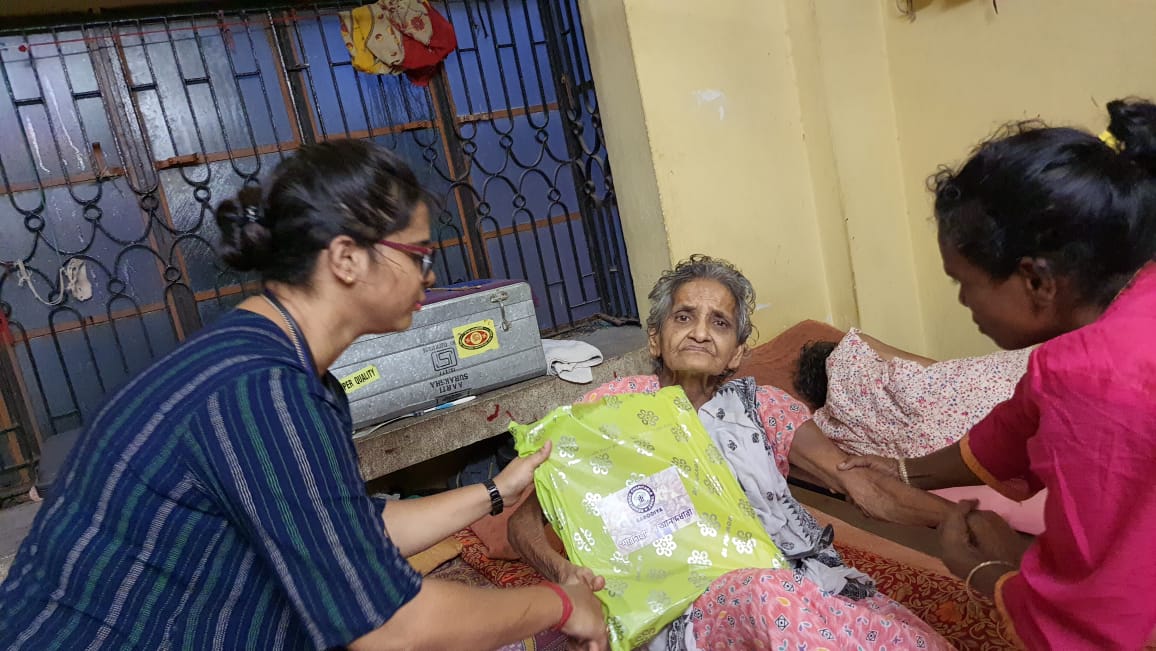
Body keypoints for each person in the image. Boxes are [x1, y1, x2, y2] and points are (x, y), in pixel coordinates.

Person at [0, 140, 608, 651]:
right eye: (419, 255)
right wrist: (560, 603)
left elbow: (345, 530)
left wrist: (496, 492)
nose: (429, 276)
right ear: (346, 258)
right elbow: (391, 626)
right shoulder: (263, 392)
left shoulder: (281, 366)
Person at [508, 255, 952, 650]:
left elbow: (860, 481)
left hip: (800, 583)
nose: (701, 333)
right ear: (655, 340)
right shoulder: (613, 411)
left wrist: (955, 518)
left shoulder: (763, 408)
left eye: (719, 323)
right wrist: (565, 574)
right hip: (691, 606)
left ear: (737, 354)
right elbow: (522, 524)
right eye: (684, 317)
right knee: (766, 596)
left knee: (918, 641)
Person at [840, 98, 1156, 649]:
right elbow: (1015, 428)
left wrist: (991, 572)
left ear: (1037, 281)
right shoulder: (1128, 304)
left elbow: (1095, 625)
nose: (963, 301)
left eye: (963, 282)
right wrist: (903, 470)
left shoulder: (1095, 377)